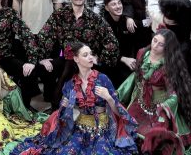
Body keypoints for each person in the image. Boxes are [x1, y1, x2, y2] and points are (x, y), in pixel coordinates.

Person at [11, 42, 140, 155]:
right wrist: (65, 107)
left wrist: (109, 98)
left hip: (101, 131)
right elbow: (66, 117)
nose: (90, 57)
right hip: (79, 130)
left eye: (91, 54)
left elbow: (119, 113)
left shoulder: (103, 79)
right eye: (85, 55)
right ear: (76, 59)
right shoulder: (70, 84)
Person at [117, 29, 191, 154]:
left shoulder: (169, 66)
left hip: (160, 107)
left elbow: (174, 93)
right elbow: (137, 77)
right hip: (139, 102)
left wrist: (165, 107)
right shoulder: (142, 53)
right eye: (154, 40)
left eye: (161, 44)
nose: (155, 46)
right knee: (126, 126)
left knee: (155, 137)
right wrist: (122, 92)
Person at [35, 0, 120, 109]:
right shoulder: (59, 15)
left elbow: (112, 41)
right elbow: (44, 35)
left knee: (70, 68)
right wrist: (42, 58)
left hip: (86, 61)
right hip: (66, 58)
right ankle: (54, 101)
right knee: (47, 67)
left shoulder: (94, 18)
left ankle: (57, 104)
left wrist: (99, 59)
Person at [100, 0, 139, 88]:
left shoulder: (127, 21)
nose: (118, 6)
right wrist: (122, 59)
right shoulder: (102, 24)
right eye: (113, 4)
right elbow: (101, 51)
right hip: (110, 64)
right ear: (107, 8)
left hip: (128, 61)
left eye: (119, 3)